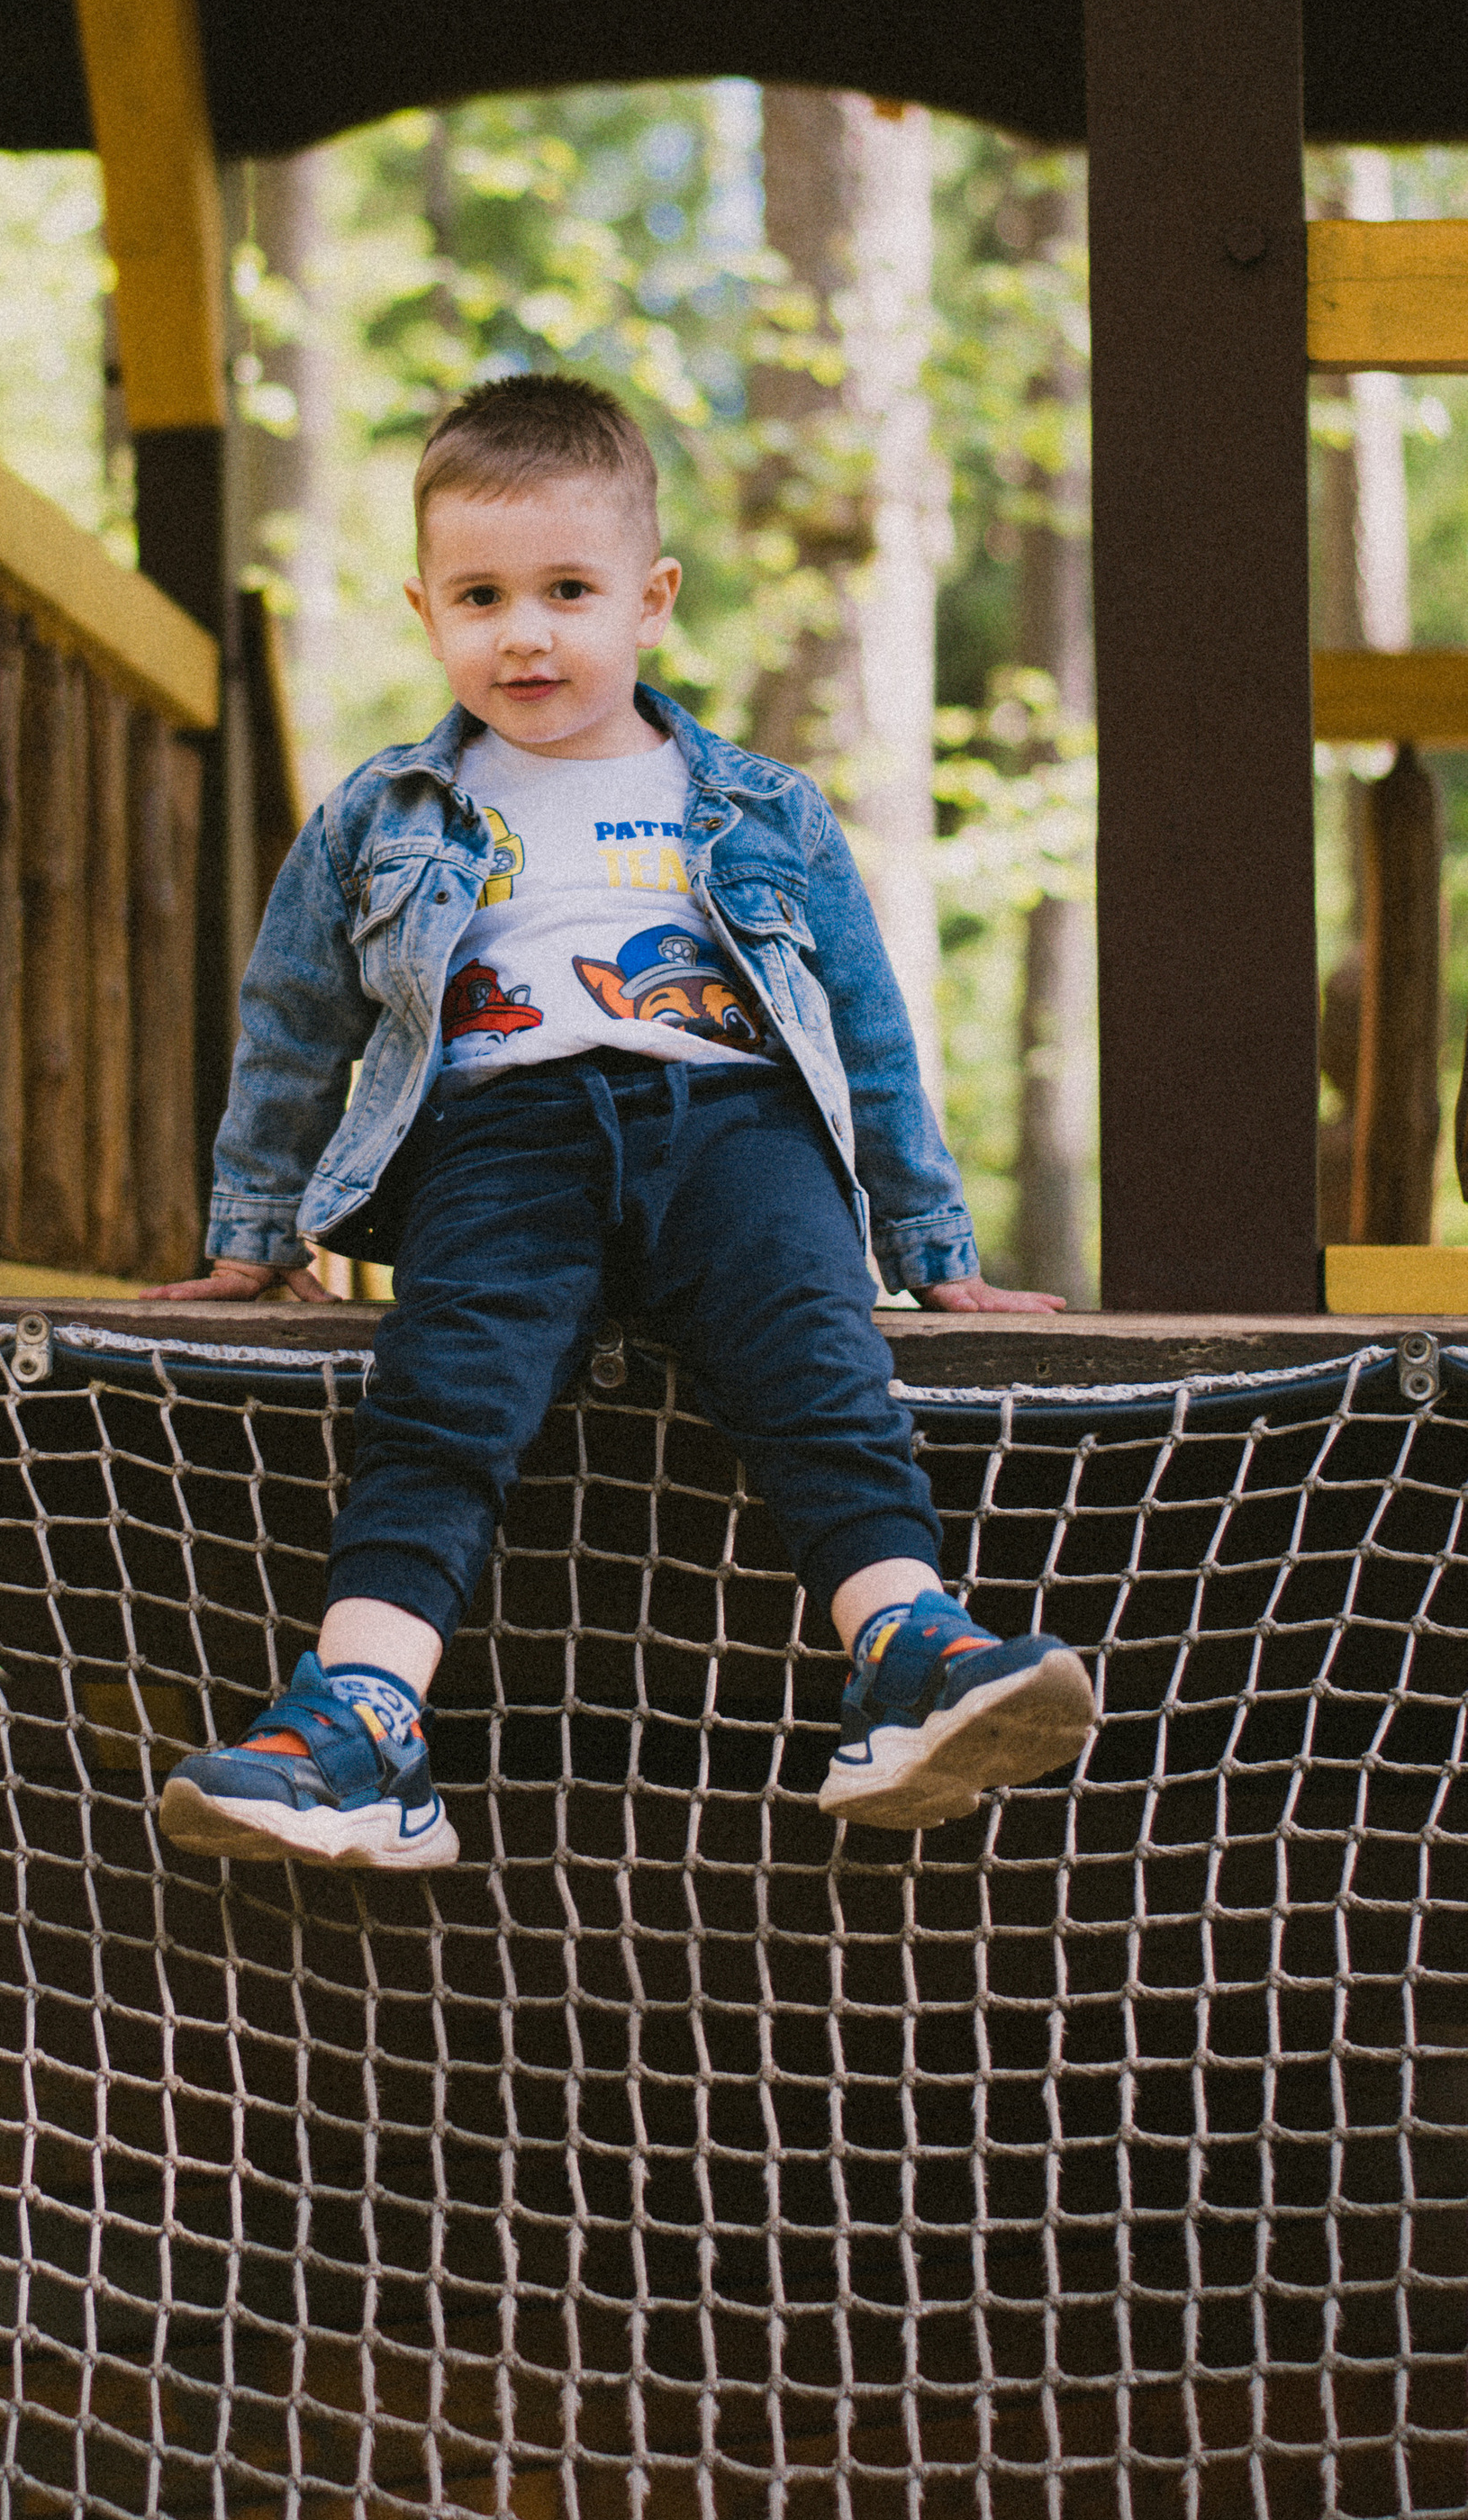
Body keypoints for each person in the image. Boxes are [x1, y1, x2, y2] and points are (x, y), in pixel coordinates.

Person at [149, 373, 1095, 1868]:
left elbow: (867, 1033)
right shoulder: (378, 816)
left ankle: (907, 1651)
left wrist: (930, 1245)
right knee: (443, 1398)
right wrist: (255, 1238)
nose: (526, 632)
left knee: (815, 1364)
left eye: (568, 590)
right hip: (499, 1140)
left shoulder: (761, 809)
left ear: (650, 599)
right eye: (482, 595)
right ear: (425, 609)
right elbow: (292, 1033)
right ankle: (359, 1724)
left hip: (736, 1129)